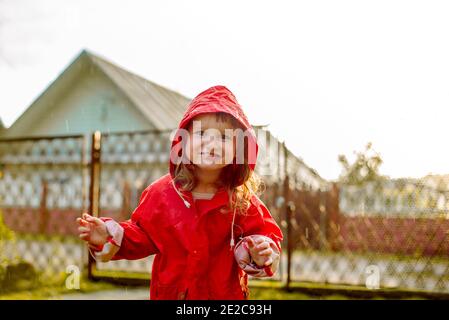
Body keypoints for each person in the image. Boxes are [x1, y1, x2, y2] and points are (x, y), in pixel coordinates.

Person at [76, 85, 283, 300]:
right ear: (183, 141)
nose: (211, 143)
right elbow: (142, 234)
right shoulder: (162, 194)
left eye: (223, 137)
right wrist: (110, 234)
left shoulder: (242, 201)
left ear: (238, 148)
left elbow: (265, 235)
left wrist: (261, 251)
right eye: (202, 133)